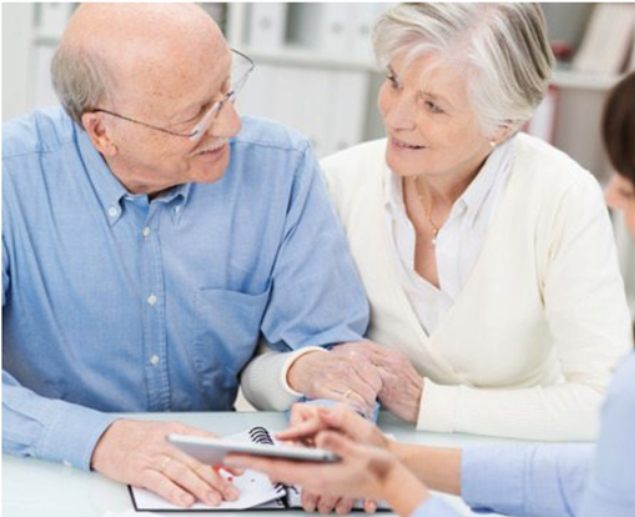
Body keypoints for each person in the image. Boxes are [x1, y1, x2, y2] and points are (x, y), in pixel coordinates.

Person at [225, 42, 635, 517]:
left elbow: (609, 454)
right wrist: (392, 463)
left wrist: (403, 469)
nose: (614, 194)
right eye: (394, 81)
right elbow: (601, 475)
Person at [2, 3, 383, 509]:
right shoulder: (12, 175)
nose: (230, 124)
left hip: (215, 491)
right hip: (49, 479)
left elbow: (328, 346)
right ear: (102, 132)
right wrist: (99, 439)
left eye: (226, 92)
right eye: (196, 115)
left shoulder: (281, 167)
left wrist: (337, 435)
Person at [244, 3, 633, 440]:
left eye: (433, 106)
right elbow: (256, 372)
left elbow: (608, 402)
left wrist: (426, 402)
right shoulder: (336, 182)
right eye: (394, 81)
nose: (396, 117)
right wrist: (304, 371)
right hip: (366, 465)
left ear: (503, 124)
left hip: (507, 464)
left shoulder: (560, 196)